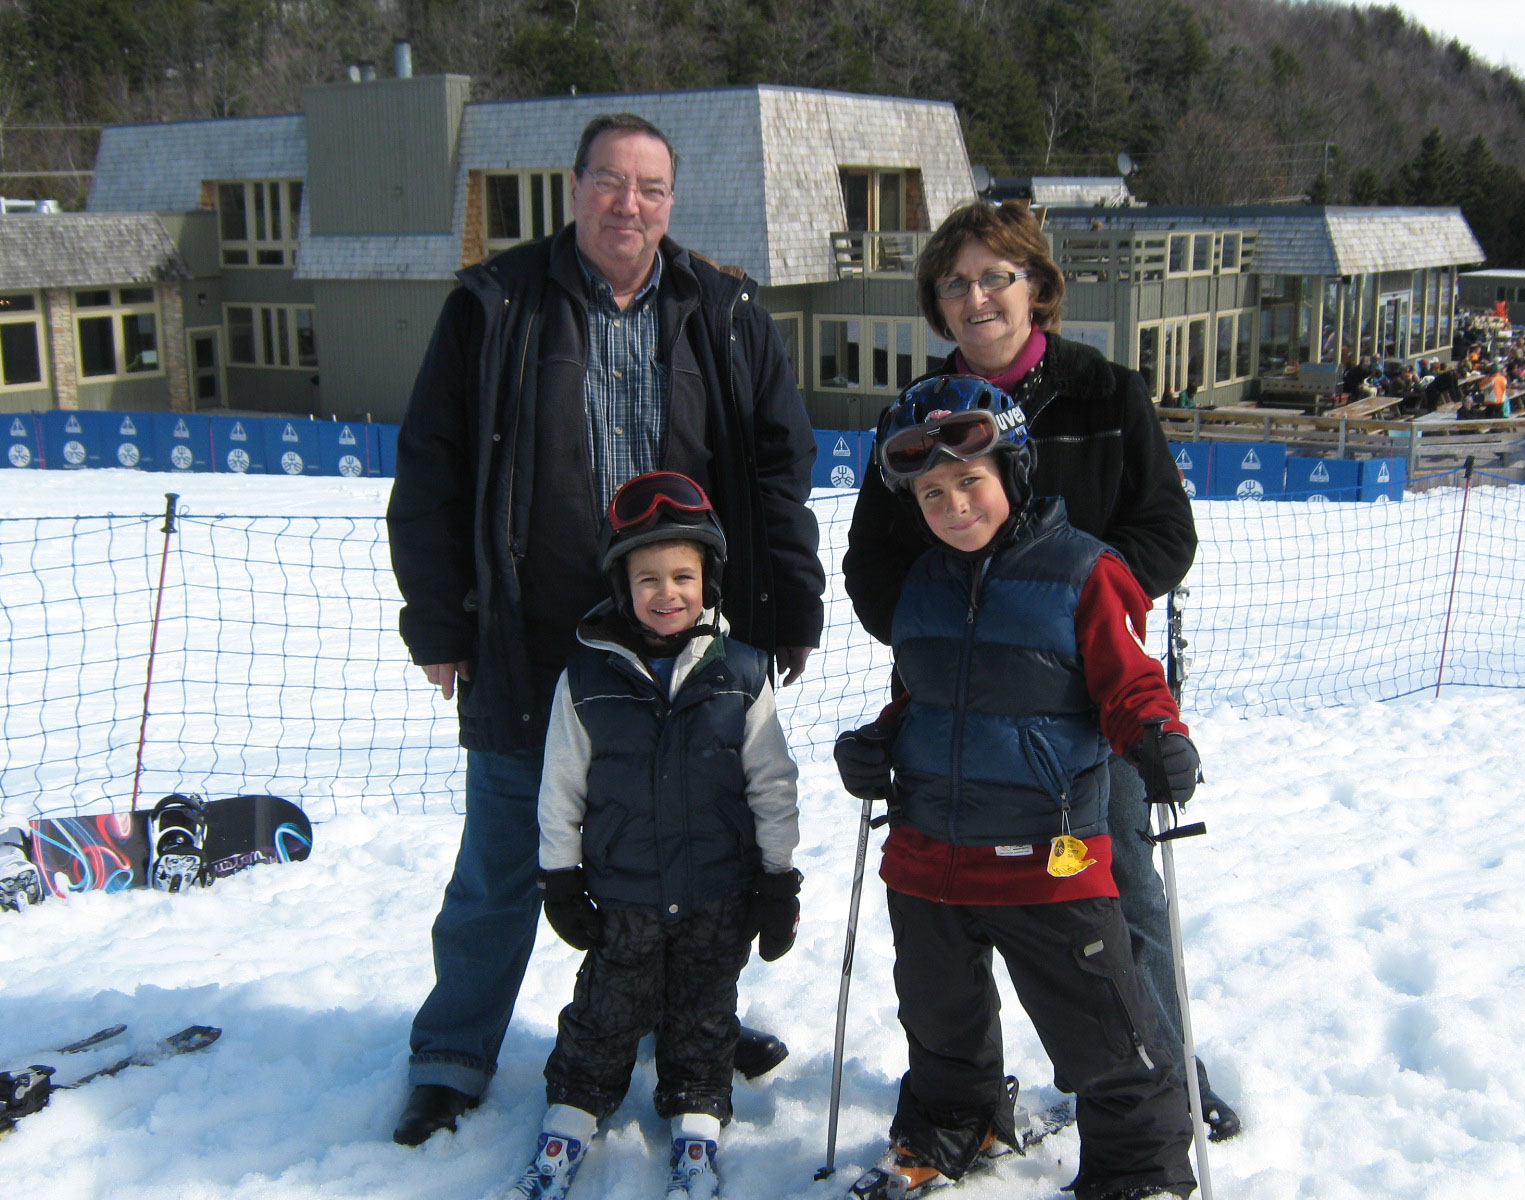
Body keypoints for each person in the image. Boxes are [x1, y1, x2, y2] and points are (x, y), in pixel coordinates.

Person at [385, 111, 825, 1147]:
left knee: (681, 861)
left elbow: (776, 474)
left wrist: (786, 611)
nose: (630, 205)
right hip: (530, 642)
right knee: (501, 859)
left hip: (681, 649)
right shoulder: (496, 305)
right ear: (574, 187)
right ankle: (452, 1056)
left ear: (674, 202)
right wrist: (440, 619)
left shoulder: (720, 312)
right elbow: (432, 471)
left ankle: (682, 1021)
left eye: (652, 188)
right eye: (611, 183)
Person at [840, 200, 1239, 1142]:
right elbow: (872, 557)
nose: (975, 298)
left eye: (994, 277)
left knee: (1121, 894)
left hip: (1091, 701)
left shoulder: (1106, 392)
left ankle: (1164, 1071)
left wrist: (1070, 607)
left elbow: (1165, 533)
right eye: (954, 284)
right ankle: (963, 1094)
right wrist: (939, 632)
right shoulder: (922, 413)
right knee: (955, 907)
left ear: (1034, 287)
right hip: (975, 705)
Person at [834, 376, 1197, 1200]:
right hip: (929, 858)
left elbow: (1129, 684)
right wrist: (879, 744)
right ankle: (955, 1121)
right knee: (939, 1020)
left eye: (970, 483)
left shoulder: (1085, 573)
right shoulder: (922, 584)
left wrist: (1157, 737)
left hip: (1050, 858)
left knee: (1102, 1028)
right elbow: (926, 696)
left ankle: (1138, 1168)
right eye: (932, 493)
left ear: (1013, 471)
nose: (954, 505)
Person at [504, 472, 802, 1200]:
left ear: (708, 582)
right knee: (603, 1016)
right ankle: (566, 1127)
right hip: (624, 898)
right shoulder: (586, 680)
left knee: (705, 1017)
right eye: (648, 579)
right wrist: (559, 876)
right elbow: (562, 786)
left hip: (718, 896)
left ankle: (696, 1137)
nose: (666, 594)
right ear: (620, 585)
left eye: (683, 577)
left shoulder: (742, 675)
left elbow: (772, 783)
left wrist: (779, 878)